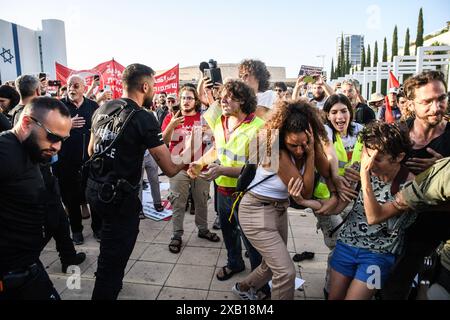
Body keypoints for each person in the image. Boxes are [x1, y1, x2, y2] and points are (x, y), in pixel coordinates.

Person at [86, 63, 186, 300]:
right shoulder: (143, 117)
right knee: (112, 259)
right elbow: (170, 169)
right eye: (152, 86)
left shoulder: (102, 108)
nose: (153, 91)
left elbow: (92, 150)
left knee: (109, 249)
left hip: (95, 190)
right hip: (119, 200)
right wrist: (191, 159)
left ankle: (112, 281)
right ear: (144, 86)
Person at [291, 121, 416, 300]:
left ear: (398, 157)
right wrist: (303, 201)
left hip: (379, 257)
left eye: (377, 159)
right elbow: (336, 208)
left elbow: (375, 217)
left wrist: (364, 177)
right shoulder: (359, 170)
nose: (369, 163)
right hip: (346, 247)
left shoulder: (410, 186)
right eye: (366, 154)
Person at [232, 99, 330, 300]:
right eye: (294, 145)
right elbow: (305, 194)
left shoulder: (307, 142)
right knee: (285, 272)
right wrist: (311, 156)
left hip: (278, 210)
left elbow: (327, 170)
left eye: (304, 144)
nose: (300, 150)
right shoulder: (275, 152)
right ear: (281, 136)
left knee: (271, 264)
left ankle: (243, 288)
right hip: (255, 210)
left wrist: (316, 150)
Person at [382, 70, 450, 299]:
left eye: (441, 98)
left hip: (438, 233)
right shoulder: (395, 136)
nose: (436, 107)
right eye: (427, 101)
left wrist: (444, 169)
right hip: (396, 231)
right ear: (411, 103)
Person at [188, 80, 265, 282]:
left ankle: (259, 279)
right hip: (222, 191)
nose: (223, 99)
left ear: (243, 101)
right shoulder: (220, 121)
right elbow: (217, 150)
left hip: (248, 194)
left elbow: (259, 168)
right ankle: (235, 263)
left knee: (251, 239)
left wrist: (222, 169)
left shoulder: (260, 127)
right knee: (228, 232)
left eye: (229, 96)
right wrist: (200, 162)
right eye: (222, 95)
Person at [0, 97, 72, 300]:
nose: (58, 146)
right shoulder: (5, 151)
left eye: (62, 140)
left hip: (29, 269)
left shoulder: (32, 150)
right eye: (52, 136)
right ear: (26, 123)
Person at [312, 93, 364, 297]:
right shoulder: (324, 132)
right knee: (338, 245)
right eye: (334, 112)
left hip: (352, 197)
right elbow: (330, 153)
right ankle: (330, 289)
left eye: (344, 111)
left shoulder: (361, 131)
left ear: (350, 112)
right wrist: (336, 180)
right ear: (327, 115)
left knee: (349, 244)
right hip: (326, 199)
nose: (340, 117)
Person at [161, 85, 219, 253]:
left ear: (196, 100)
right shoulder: (172, 117)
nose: (186, 101)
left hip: (200, 167)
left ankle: (203, 229)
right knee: (178, 202)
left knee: (201, 200)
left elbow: (214, 140)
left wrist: (207, 133)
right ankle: (176, 235)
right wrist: (171, 125)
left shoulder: (203, 118)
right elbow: (162, 141)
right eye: (184, 98)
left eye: (190, 98)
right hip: (178, 168)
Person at [56, 75, 100, 245]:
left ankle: (98, 228)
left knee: (93, 196)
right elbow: (49, 130)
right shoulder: (59, 106)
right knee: (71, 198)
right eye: (69, 86)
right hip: (67, 162)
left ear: (84, 87)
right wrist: (67, 124)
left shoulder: (93, 106)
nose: (71, 89)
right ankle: (76, 230)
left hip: (90, 161)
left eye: (76, 85)